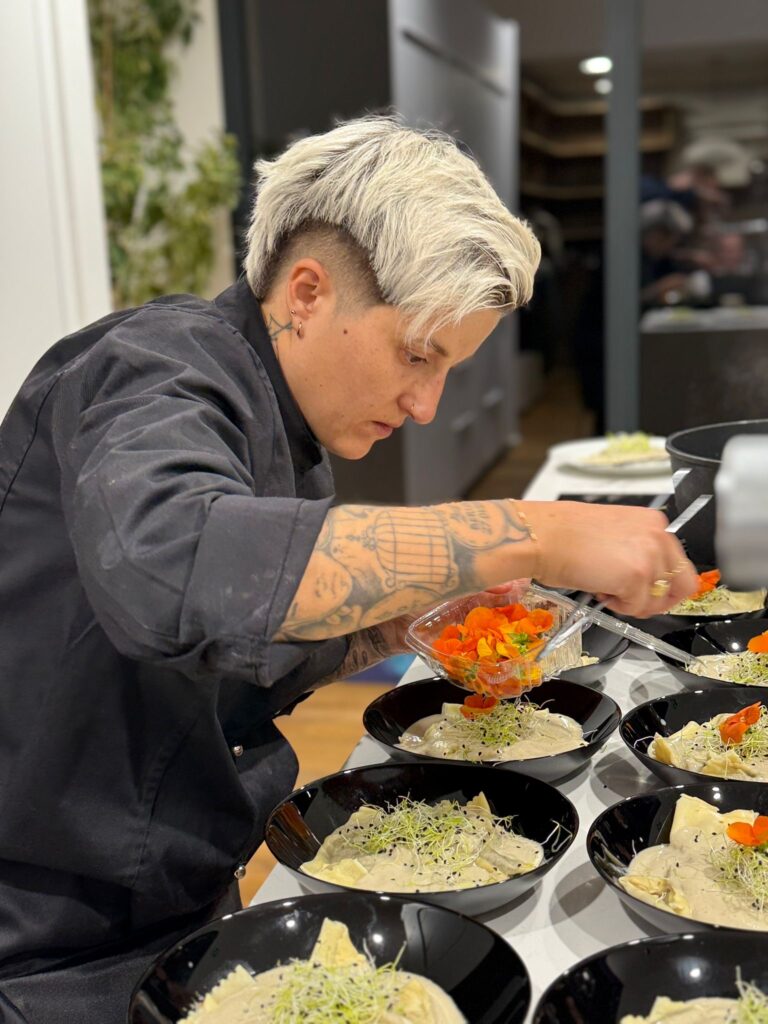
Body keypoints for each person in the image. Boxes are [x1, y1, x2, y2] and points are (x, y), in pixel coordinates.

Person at [0, 116, 697, 1022]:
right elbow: (170, 571)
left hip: (181, 894)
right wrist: (530, 532)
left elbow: (244, 651)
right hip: (47, 940)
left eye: (449, 367)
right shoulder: (148, 371)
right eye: (417, 354)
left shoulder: (286, 423)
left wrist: (415, 616)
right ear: (306, 291)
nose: (424, 401)